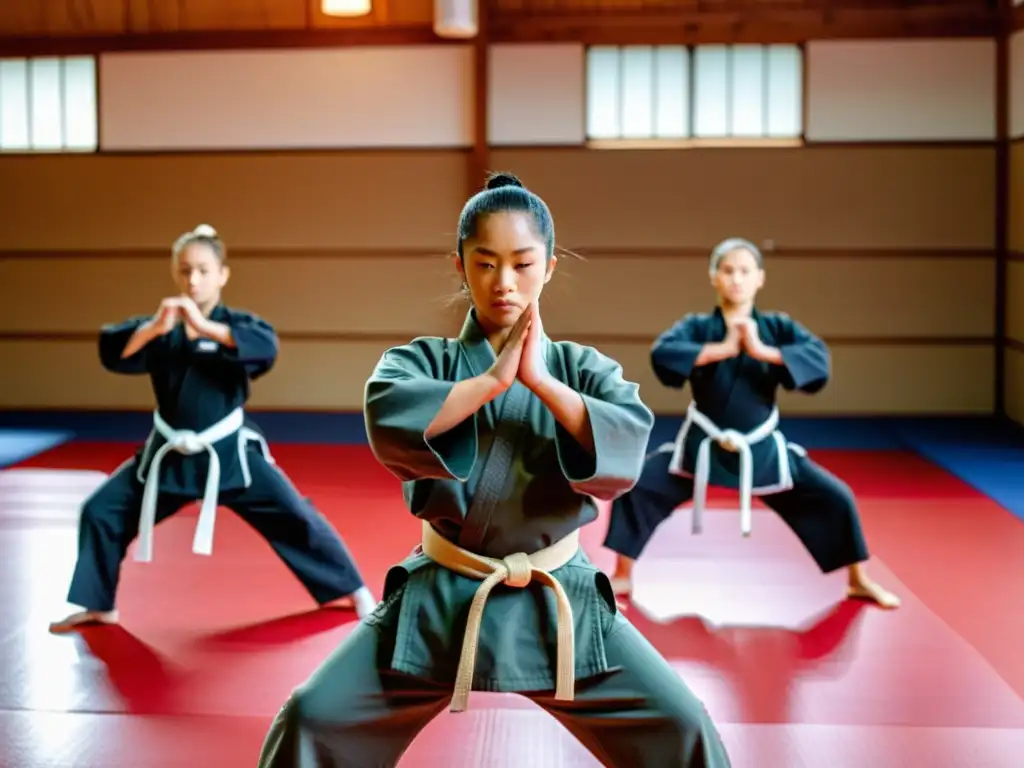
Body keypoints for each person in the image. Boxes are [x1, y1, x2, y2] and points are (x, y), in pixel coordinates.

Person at [255, 174, 732, 767]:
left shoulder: (582, 368)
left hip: (562, 602)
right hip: (443, 597)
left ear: (550, 266)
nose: (503, 283)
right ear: (460, 266)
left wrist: (545, 385)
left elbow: (626, 447)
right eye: (485, 264)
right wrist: (488, 385)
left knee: (683, 727)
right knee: (312, 717)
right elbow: (389, 416)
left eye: (522, 264)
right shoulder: (422, 360)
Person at [49, 224, 377, 633]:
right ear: (175, 273)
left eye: (204, 270)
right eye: (185, 270)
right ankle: (99, 606)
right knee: (101, 510)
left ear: (223, 274)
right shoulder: (159, 328)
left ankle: (354, 589)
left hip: (228, 455)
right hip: (167, 455)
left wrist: (205, 330)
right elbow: (114, 351)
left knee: (295, 515)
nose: (194, 280)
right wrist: (155, 327)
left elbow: (265, 348)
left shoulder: (237, 326)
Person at [603, 237, 900, 610]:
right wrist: (721, 349)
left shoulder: (776, 327)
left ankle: (859, 580)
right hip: (702, 445)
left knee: (835, 496)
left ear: (760, 278)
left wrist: (764, 352)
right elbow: (663, 354)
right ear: (714, 277)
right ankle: (623, 574)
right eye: (728, 271)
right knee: (640, 486)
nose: (737, 279)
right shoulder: (697, 328)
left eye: (745, 271)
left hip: (760, 448)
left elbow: (818, 361)